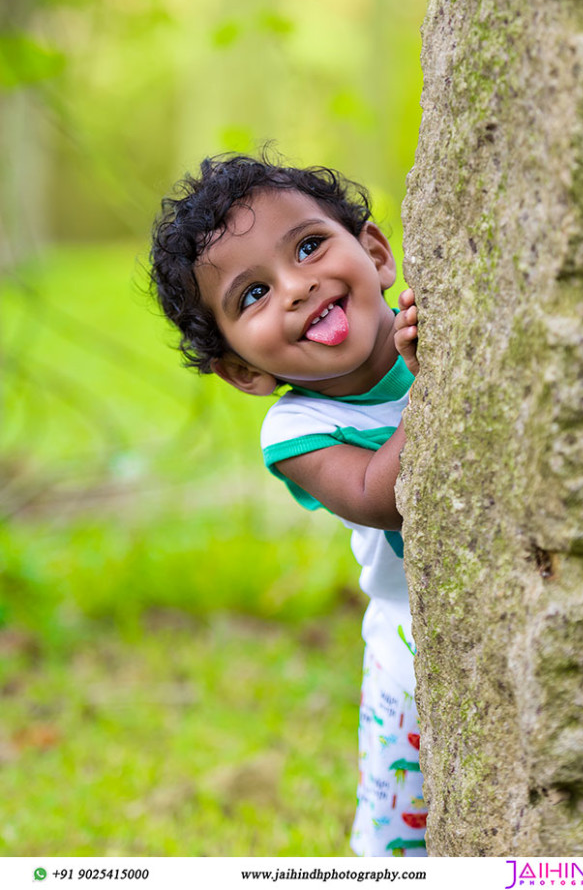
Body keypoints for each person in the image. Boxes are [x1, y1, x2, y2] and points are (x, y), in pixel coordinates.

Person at [149, 152, 424, 857]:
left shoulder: (428, 323)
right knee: (400, 831)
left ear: (373, 252)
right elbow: (381, 496)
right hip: (409, 639)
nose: (297, 287)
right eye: (253, 295)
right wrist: (435, 389)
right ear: (244, 370)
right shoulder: (296, 429)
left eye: (308, 246)